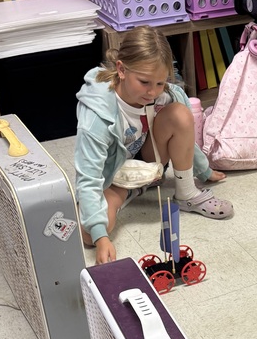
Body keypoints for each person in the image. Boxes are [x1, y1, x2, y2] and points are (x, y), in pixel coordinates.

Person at [75, 25, 233, 265]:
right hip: (115, 177)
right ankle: (129, 192)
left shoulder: (167, 94)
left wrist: (204, 170)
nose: (152, 92)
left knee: (180, 113)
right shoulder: (96, 115)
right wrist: (101, 238)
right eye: (144, 82)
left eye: (160, 83)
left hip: (150, 163)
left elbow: (186, 133)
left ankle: (187, 193)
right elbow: (87, 177)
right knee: (90, 234)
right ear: (121, 69)